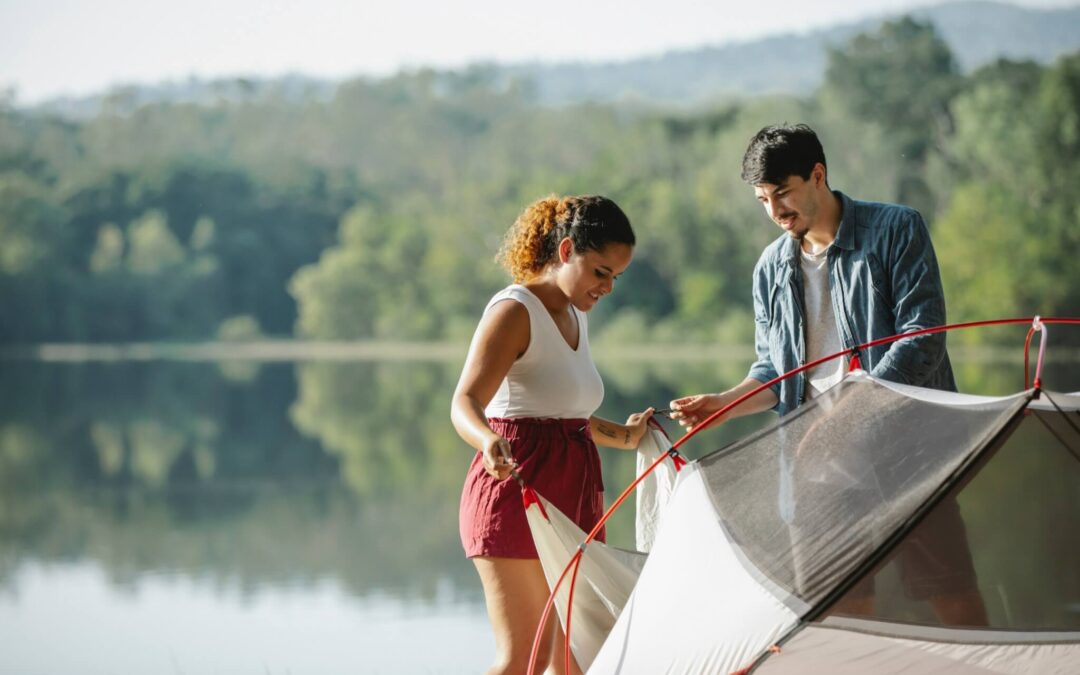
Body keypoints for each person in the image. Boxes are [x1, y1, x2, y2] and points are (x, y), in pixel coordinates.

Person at [669, 123, 987, 625]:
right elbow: (775, 371)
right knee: (836, 624)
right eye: (762, 199)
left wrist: (845, 418)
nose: (774, 212)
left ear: (818, 175)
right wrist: (726, 402)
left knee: (954, 607)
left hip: (914, 461)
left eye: (783, 193)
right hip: (815, 472)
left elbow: (922, 337)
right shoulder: (770, 268)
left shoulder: (896, 229)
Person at [452, 194, 655, 675]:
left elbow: (567, 418)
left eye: (615, 277)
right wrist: (486, 440)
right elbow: (465, 403)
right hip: (515, 494)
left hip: (575, 497)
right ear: (566, 252)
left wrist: (626, 437)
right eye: (600, 272)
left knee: (573, 659)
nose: (607, 287)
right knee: (524, 659)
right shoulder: (514, 310)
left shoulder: (576, 314)